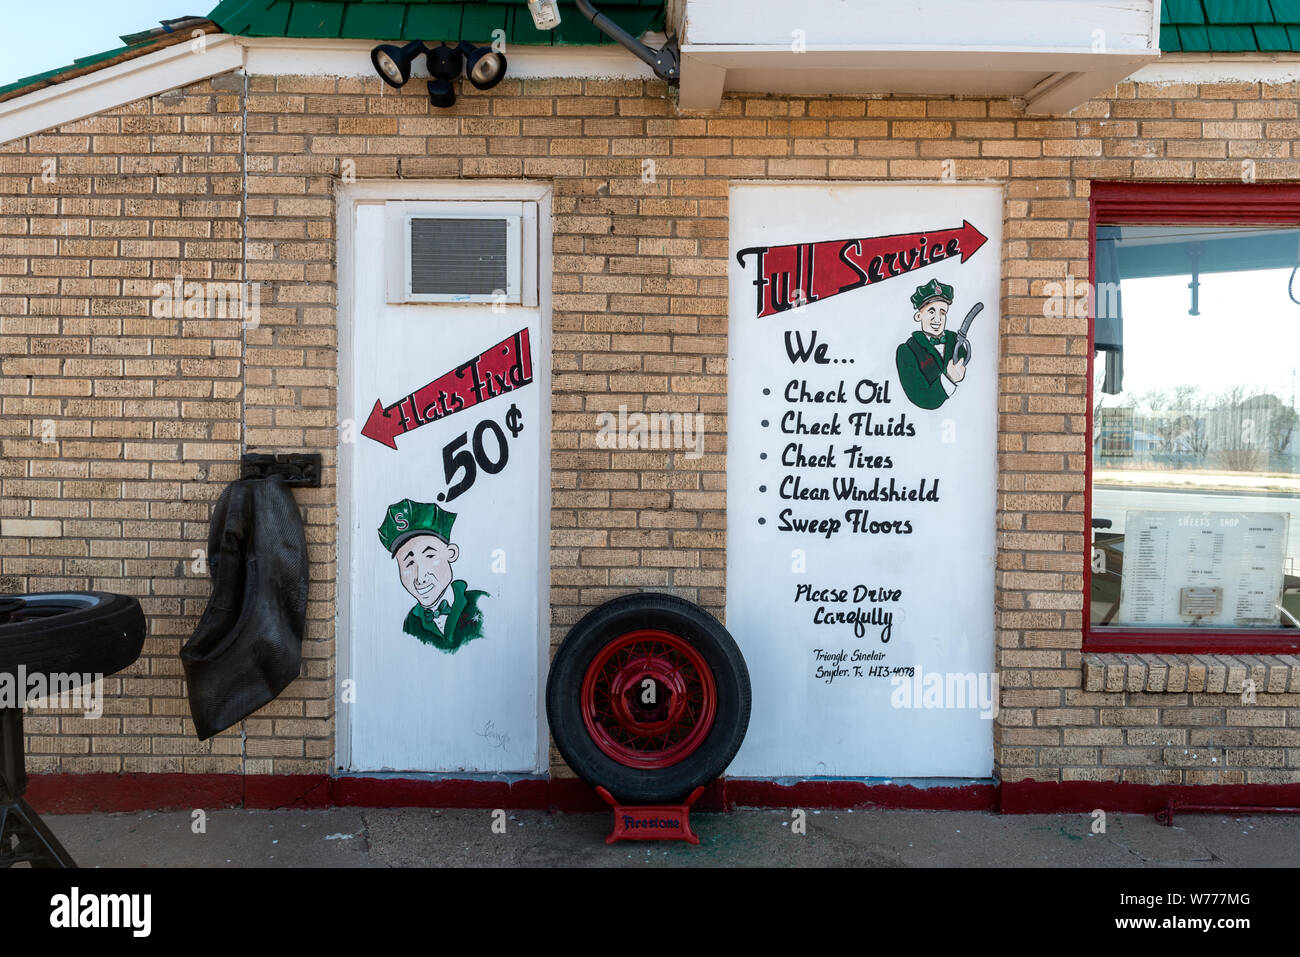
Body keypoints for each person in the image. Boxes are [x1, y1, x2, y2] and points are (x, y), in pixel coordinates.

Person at [377, 498, 487, 652]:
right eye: (409, 563)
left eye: (429, 556)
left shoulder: (480, 604)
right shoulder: (411, 624)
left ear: (451, 553)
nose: (420, 577)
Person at [895, 278, 967, 410]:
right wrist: (949, 379)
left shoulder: (957, 341)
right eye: (931, 311)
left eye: (942, 312)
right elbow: (922, 397)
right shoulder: (907, 351)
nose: (938, 319)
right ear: (918, 316)